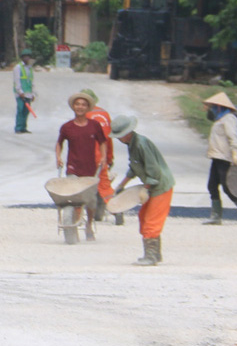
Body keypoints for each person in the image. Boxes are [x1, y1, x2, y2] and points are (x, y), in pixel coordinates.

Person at [114, 113, 175, 266]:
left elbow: (153, 169)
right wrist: (122, 184)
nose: (118, 139)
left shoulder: (141, 144)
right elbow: (134, 167)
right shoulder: (132, 145)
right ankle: (155, 254)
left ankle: (151, 256)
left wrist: (145, 188)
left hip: (160, 186)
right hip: (152, 185)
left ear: (127, 133)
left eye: (119, 136)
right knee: (144, 216)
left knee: (151, 220)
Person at [55, 92, 113, 239]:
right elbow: (59, 143)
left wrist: (104, 157)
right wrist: (58, 157)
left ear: (88, 108)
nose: (80, 107)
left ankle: (89, 225)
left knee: (91, 200)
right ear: (73, 107)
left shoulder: (94, 126)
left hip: (90, 169)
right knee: (73, 197)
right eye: (77, 104)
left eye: (83, 105)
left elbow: (102, 142)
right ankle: (73, 223)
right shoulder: (67, 127)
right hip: (73, 167)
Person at [202, 92, 237, 225]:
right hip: (217, 157)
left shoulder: (229, 119)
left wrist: (235, 152)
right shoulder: (220, 119)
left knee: (228, 187)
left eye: (212, 107)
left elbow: (233, 137)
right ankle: (216, 216)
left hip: (225, 158)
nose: (210, 109)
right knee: (212, 185)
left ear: (219, 107)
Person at [13, 55, 36, 133]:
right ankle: (18, 128)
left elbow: (31, 81)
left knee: (26, 111)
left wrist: (33, 94)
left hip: (28, 93)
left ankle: (23, 127)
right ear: (22, 58)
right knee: (20, 109)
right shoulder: (18, 67)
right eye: (26, 57)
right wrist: (20, 92)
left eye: (29, 57)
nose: (28, 59)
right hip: (20, 94)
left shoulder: (29, 68)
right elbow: (17, 80)